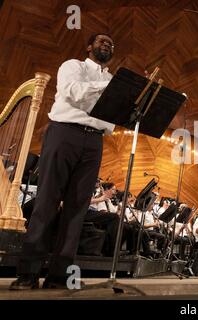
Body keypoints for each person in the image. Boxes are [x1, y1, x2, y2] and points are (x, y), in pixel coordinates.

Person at [10, 33, 115, 290]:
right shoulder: (73, 66)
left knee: (77, 209)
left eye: (111, 44)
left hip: (95, 141)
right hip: (64, 132)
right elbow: (73, 93)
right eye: (102, 41)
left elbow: (111, 115)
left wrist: (116, 92)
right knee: (46, 201)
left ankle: (59, 276)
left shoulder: (113, 80)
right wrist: (108, 90)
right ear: (89, 47)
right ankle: (28, 274)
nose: (107, 45)